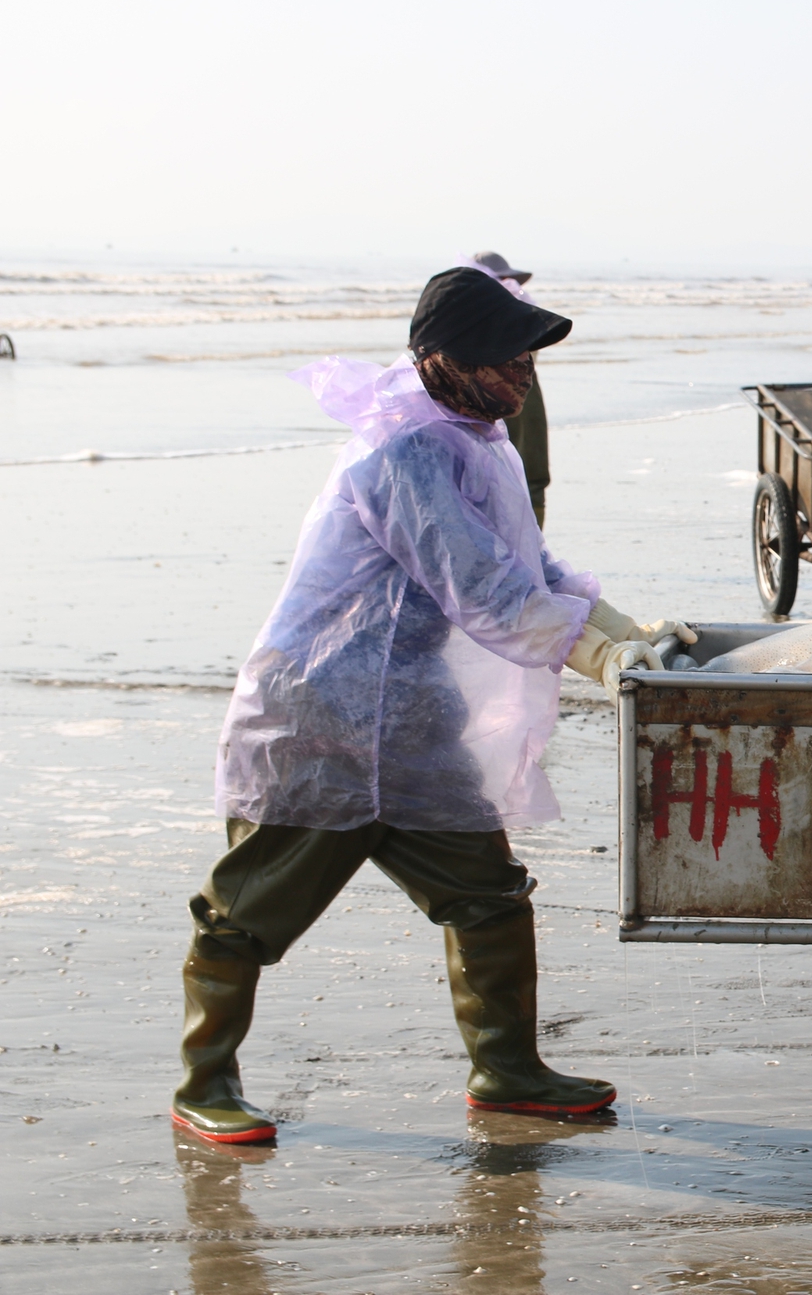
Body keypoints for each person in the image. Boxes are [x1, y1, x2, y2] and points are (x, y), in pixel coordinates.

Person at [173, 267, 695, 1145]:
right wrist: (602, 659)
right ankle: (205, 1081)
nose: (522, 376)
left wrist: (624, 627)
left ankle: (508, 1073)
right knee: (247, 913)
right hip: (323, 721)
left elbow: (534, 567)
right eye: (507, 359)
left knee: (487, 896)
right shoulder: (401, 453)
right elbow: (484, 589)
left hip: (412, 723)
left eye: (528, 359)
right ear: (442, 359)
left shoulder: (472, 438)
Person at [470, 251, 552, 527]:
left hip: (516, 397)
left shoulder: (480, 313)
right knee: (515, 476)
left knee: (526, 474)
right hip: (507, 398)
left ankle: (532, 553)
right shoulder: (511, 309)